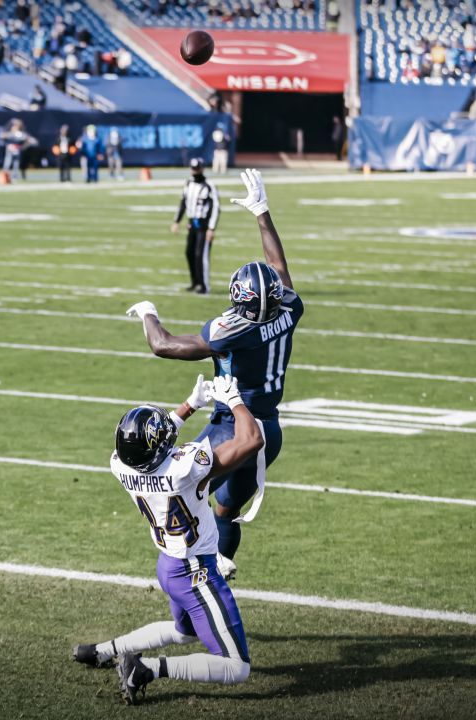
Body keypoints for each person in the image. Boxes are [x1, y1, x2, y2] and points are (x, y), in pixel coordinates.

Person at [127, 169, 301, 579]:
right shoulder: (290, 310)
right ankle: (221, 569)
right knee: (227, 508)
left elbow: (163, 345)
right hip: (268, 432)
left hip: (230, 426)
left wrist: (148, 312)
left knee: (187, 493)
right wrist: (261, 212)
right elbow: (278, 267)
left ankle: (207, 570)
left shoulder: (231, 332)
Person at [71, 375, 263, 704]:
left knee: (184, 632)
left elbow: (150, 447)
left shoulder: (120, 465)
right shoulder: (184, 468)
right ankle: (144, 668)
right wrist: (233, 400)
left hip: (168, 566)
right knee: (237, 666)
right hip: (195, 572)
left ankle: (101, 651)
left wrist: (189, 406)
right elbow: (251, 440)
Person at [170, 158, 219, 294]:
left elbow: (216, 207)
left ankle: (204, 285)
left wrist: (211, 227)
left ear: (202, 168)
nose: (195, 171)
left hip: (204, 225)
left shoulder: (209, 185)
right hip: (192, 224)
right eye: (193, 168)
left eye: (197, 168)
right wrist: (176, 221)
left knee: (201, 255)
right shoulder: (188, 184)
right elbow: (183, 203)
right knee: (189, 253)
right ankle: (195, 282)